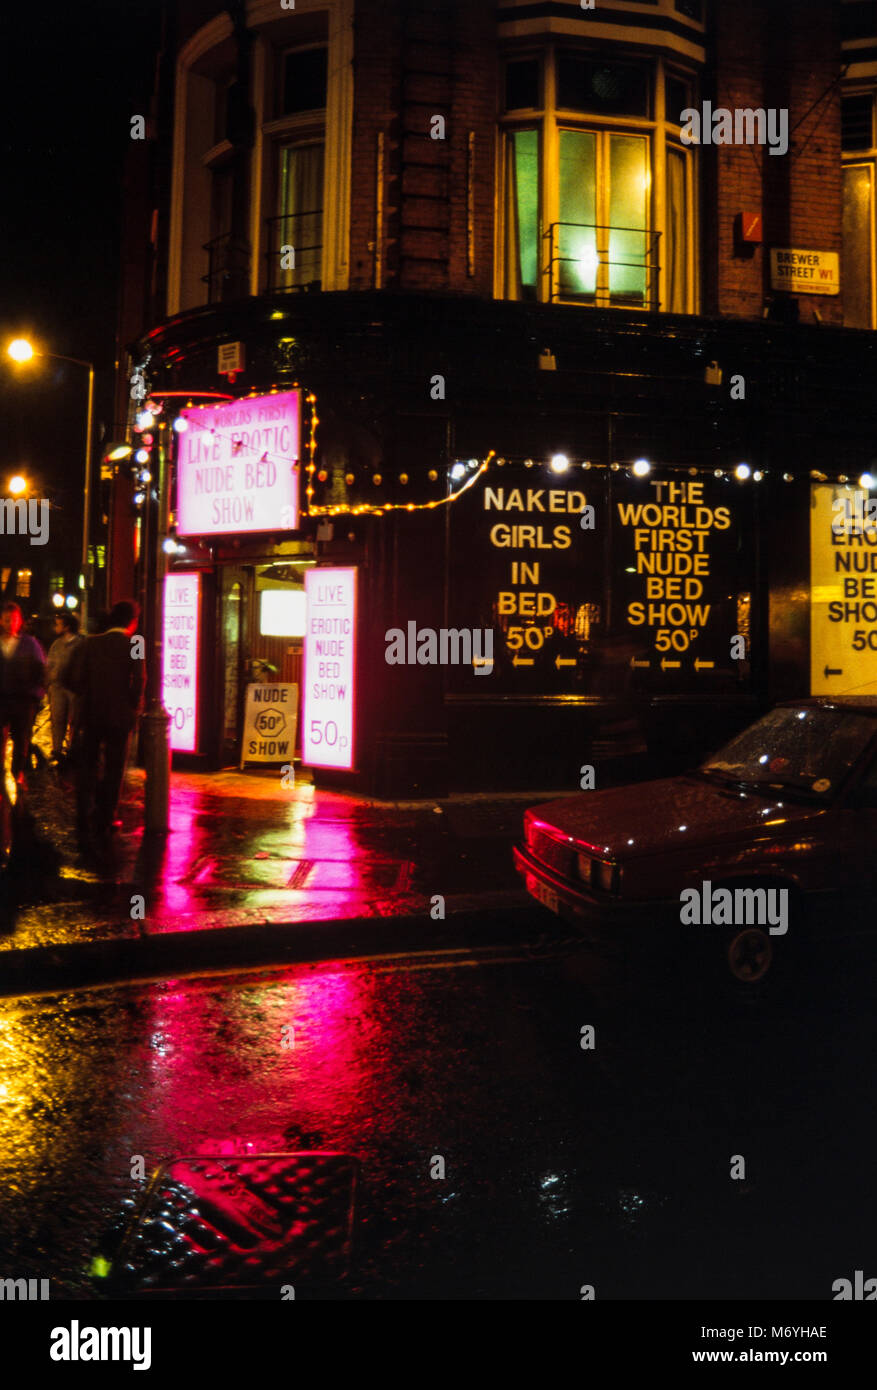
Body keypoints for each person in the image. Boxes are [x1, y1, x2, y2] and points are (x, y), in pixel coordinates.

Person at [67, 599, 146, 853]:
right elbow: (139, 680)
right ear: (132, 621)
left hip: (91, 713)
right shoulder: (136, 643)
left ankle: (82, 812)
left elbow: (71, 677)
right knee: (114, 766)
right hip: (120, 716)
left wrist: (86, 695)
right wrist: (133, 704)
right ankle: (107, 815)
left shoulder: (91, 643)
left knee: (88, 764)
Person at [0, 602, 47, 786]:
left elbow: (41, 671)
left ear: (19, 621)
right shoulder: (137, 639)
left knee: (21, 740)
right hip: (2, 699)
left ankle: (17, 771)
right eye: (6, 619)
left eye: (14, 619)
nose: (10, 623)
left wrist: (36, 694)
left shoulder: (30, 644)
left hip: (23, 700)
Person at [45, 611, 84, 763]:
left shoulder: (81, 644)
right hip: (57, 687)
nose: (55, 627)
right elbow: (50, 665)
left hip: (73, 688)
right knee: (57, 719)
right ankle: (57, 749)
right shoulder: (57, 644)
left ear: (67, 626)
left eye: (58, 624)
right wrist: (48, 683)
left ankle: (72, 749)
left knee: (74, 720)